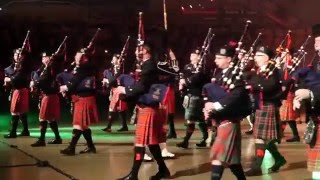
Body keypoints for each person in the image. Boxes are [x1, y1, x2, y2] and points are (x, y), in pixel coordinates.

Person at [117, 40, 170, 180]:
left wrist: (125, 90)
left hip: (148, 108)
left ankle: (133, 176)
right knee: (152, 143)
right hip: (146, 107)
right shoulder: (146, 65)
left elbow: (141, 87)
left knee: (140, 143)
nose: (136, 51)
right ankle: (163, 170)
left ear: (145, 51)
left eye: (138, 49)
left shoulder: (150, 66)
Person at [203, 45, 250, 180]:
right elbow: (213, 93)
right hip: (222, 119)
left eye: (219, 58)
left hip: (229, 120)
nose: (216, 60)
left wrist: (216, 105)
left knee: (218, 157)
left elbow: (237, 94)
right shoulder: (219, 75)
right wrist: (208, 106)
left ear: (229, 59)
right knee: (232, 160)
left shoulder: (237, 75)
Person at [244, 46, 286, 176]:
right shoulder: (257, 71)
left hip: (268, 105)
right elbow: (247, 79)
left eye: (259, 55)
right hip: (259, 105)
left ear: (267, 58)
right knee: (264, 139)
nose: (255, 58)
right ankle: (279, 159)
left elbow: (271, 86)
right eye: (255, 55)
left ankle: (256, 166)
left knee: (260, 138)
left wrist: (253, 86)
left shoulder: (273, 71)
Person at [59, 50, 98, 155]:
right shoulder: (82, 67)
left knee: (78, 124)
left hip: (84, 98)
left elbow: (75, 80)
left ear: (84, 58)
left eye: (78, 56)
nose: (76, 57)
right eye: (76, 55)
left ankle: (71, 148)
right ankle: (91, 147)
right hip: (82, 98)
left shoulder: (85, 67)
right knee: (84, 126)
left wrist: (66, 88)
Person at [177, 48, 209, 149]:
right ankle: (205, 137)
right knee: (198, 120)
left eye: (195, 55)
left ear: (199, 57)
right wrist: (181, 81)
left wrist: (185, 81)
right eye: (192, 55)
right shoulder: (188, 67)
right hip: (188, 95)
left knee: (191, 119)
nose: (192, 57)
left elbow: (197, 79)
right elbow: (182, 75)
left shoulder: (203, 68)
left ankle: (186, 141)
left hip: (197, 95)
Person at [30, 52, 62, 146]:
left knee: (42, 118)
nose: (43, 59)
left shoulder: (51, 67)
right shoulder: (45, 68)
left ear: (49, 58)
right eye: (42, 57)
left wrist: (35, 83)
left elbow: (43, 80)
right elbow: (37, 75)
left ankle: (41, 140)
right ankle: (57, 138)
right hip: (48, 95)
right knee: (50, 119)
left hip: (49, 95)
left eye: (45, 57)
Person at [4, 49, 30, 138]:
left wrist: (10, 79)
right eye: (16, 55)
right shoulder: (10, 67)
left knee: (15, 111)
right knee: (21, 111)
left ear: (22, 57)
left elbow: (19, 78)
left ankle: (13, 132)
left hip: (21, 90)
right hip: (15, 90)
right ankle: (26, 130)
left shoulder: (24, 66)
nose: (17, 57)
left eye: (19, 55)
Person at [101, 54, 129, 132]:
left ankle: (123, 126)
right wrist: (106, 82)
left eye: (114, 58)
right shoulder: (111, 69)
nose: (113, 60)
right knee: (112, 108)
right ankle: (110, 126)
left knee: (121, 109)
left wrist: (108, 81)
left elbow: (117, 78)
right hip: (114, 90)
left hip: (120, 90)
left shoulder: (122, 69)